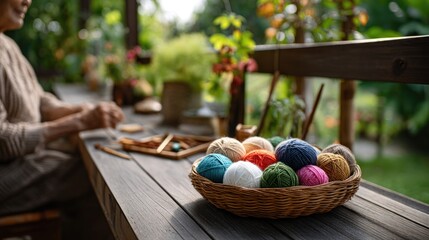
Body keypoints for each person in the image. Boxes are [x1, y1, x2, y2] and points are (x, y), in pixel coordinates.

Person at [0, 0, 124, 239]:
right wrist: (79, 122)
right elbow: (3, 141)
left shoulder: (8, 44)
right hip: (6, 176)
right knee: (98, 179)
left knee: (91, 161)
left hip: (25, 161)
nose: (28, 1)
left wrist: (84, 110)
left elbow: (40, 101)